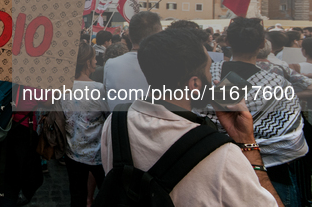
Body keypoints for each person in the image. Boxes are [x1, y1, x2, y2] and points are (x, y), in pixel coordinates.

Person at [101, 28, 282, 206]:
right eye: (209, 70)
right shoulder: (222, 155)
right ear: (195, 83)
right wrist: (247, 142)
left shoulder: (115, 122)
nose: (213, 79)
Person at [200, 17, 307, 205]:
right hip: (271, 174)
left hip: (215, 171)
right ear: (261, 44)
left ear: (227, 42)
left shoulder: (206, 75)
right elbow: (291, 138)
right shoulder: (278, 84)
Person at [61, 42, 109, 207]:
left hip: (72, 151)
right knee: (107, 193)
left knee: (77, 195)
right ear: (88, 62)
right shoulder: (99, 89)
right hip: (97, 154)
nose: (96, 62)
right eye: (95, 58)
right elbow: (108, 116)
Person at [103, 11, 161, 110]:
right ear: (159, 36)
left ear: (129, 37)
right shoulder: (165, 65)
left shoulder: (111, 64)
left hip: (119, 123)